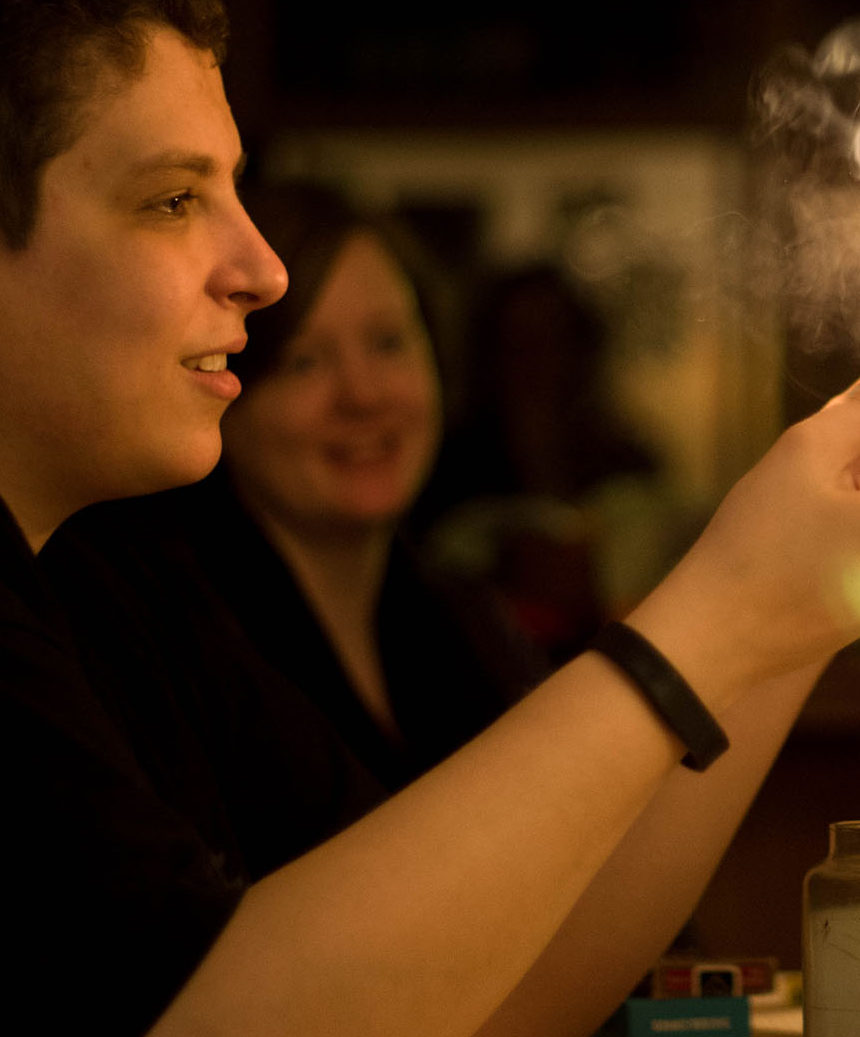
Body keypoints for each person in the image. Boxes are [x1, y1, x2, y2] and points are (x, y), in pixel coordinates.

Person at [0, 0, 860, 1037]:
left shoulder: (109, 588)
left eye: (234, 192)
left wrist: (796, 617)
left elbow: (471, 1006)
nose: (261, 269)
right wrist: (730, 602)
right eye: (173, 199)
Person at [57, 184, 550, 790]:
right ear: (221, 390)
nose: (363, 395)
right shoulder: (161, 649)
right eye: (303, 362)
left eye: (388, 343)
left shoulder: (469, 623)